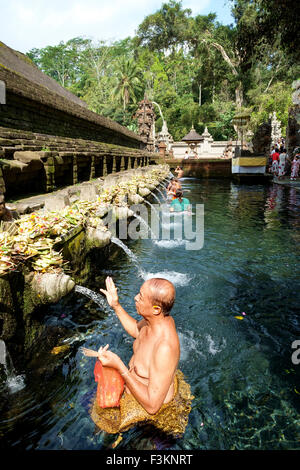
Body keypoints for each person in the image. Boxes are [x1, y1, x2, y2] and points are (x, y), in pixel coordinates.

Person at [82, 277, 193, 436]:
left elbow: (153, 407)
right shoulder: (154, 321)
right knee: (88, 404)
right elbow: (136, 330)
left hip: (151, 410)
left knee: (100, 433)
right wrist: (116, 305)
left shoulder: (164, 347)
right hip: (134, 391)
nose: (135, 298)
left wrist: (119, 366)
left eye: (140, 296)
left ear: (156, 309)